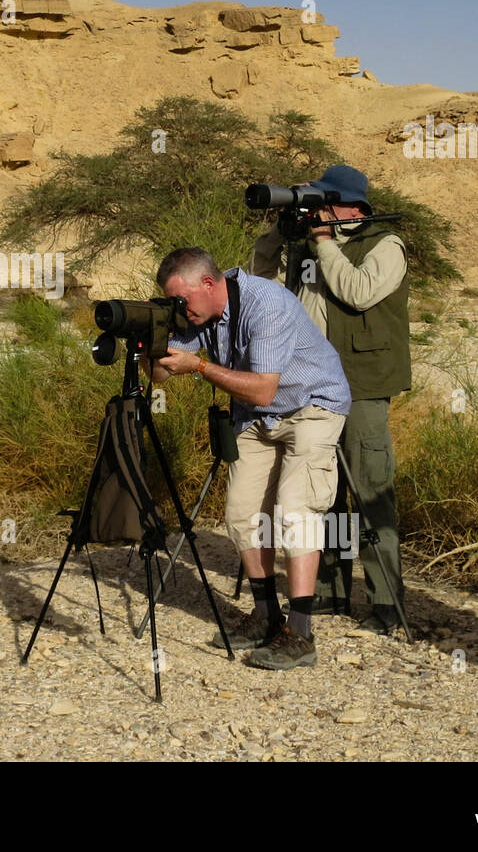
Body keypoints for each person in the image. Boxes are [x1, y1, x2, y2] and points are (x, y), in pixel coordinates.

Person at [152, 247, 350, 671]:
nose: (180, 311)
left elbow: (262, 388)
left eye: (181, 301)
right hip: (259, 417)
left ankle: (300, 633)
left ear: (209, 284)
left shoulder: (266, 303)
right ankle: (265, 615)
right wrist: (149, 341)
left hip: (311, 406)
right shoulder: (199, 314)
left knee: (296, 510)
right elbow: (163, 373)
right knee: (242, 513)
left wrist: (200, 366)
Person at [251, 165, 410, 634]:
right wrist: (277, 236)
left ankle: (385, 602)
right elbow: (263, 287)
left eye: (324, 203)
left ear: (352, 206)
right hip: (313, 387)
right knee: (324, 494)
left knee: (371, 492)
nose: (315, 211)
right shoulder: (306, 245)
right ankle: (328, 590)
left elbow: (357, 293)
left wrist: (324, 243)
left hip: (361, 387)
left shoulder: (385, 245)